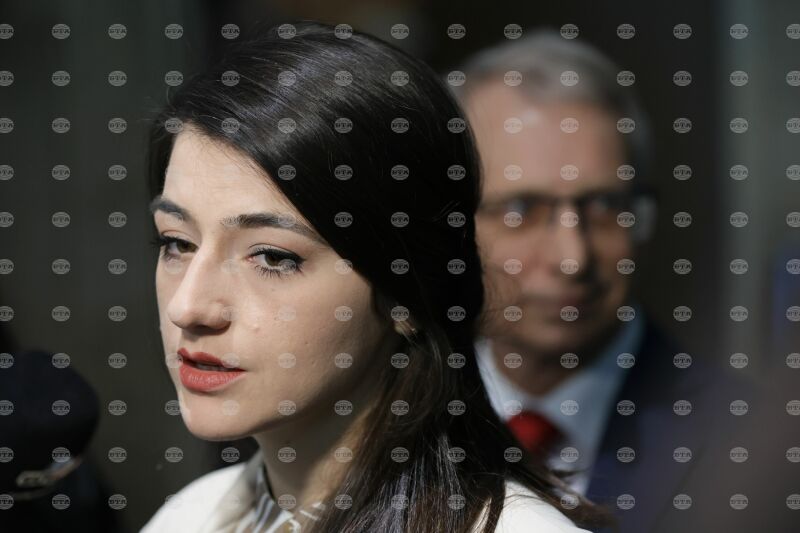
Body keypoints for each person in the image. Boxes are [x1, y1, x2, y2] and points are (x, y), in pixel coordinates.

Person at [140, 20, 613, 533]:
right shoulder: (187, 518)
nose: (188, 307)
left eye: (273, 257)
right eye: (177, 243)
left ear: (405, 293)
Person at [454, 30, 745, 533]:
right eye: (521, 210)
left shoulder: (743, 446)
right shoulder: (388, 422)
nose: (573, 258)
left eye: (606, 206)